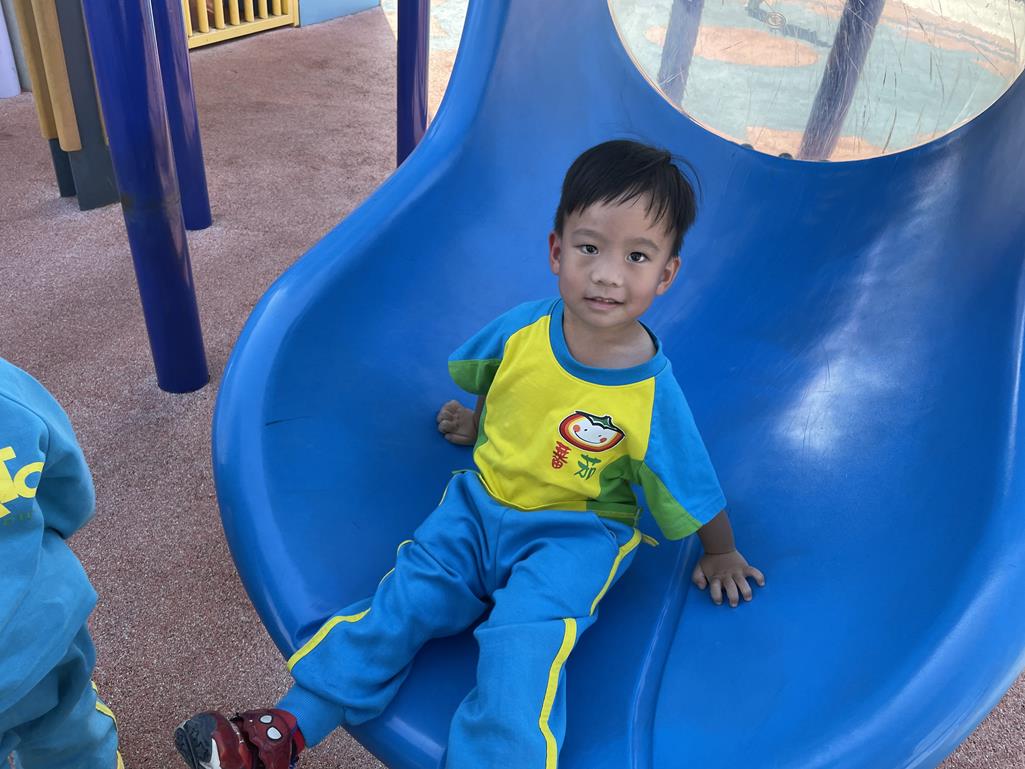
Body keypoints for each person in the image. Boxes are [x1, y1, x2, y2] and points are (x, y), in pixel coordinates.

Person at [174, 139, 765, 769]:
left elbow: (692, 483)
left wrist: (720, 550)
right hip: (478, 506)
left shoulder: (650, 393)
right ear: (556, 251)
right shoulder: (522, 330)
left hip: (576, 533)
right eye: (590, 247)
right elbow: (495, 378)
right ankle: (284, 731)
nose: (607, 274)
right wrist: (478, 423)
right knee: (405, 598)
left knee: (524, 643)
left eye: (637, 256)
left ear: (666, 274)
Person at [0, 358, 123, 769]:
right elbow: (68, 485)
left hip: (36, 631)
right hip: (39, 629)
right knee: (71, 733)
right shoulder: (6, 392)